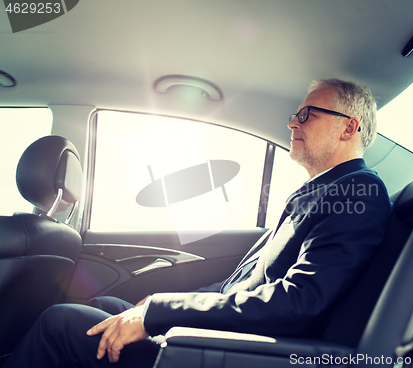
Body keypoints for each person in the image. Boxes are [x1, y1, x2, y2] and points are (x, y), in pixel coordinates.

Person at [2, 78, 392, 367]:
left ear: (348, 127)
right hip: (220, 335)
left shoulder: (357, 192)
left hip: (233, 351)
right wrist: (152, 306)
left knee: (61, 322)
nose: (293, 124)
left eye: (307, 114)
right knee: (104, 305)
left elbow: (299, 302)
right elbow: (232, 286)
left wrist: (160, 312)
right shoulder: (322, 191)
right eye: (295, 115)